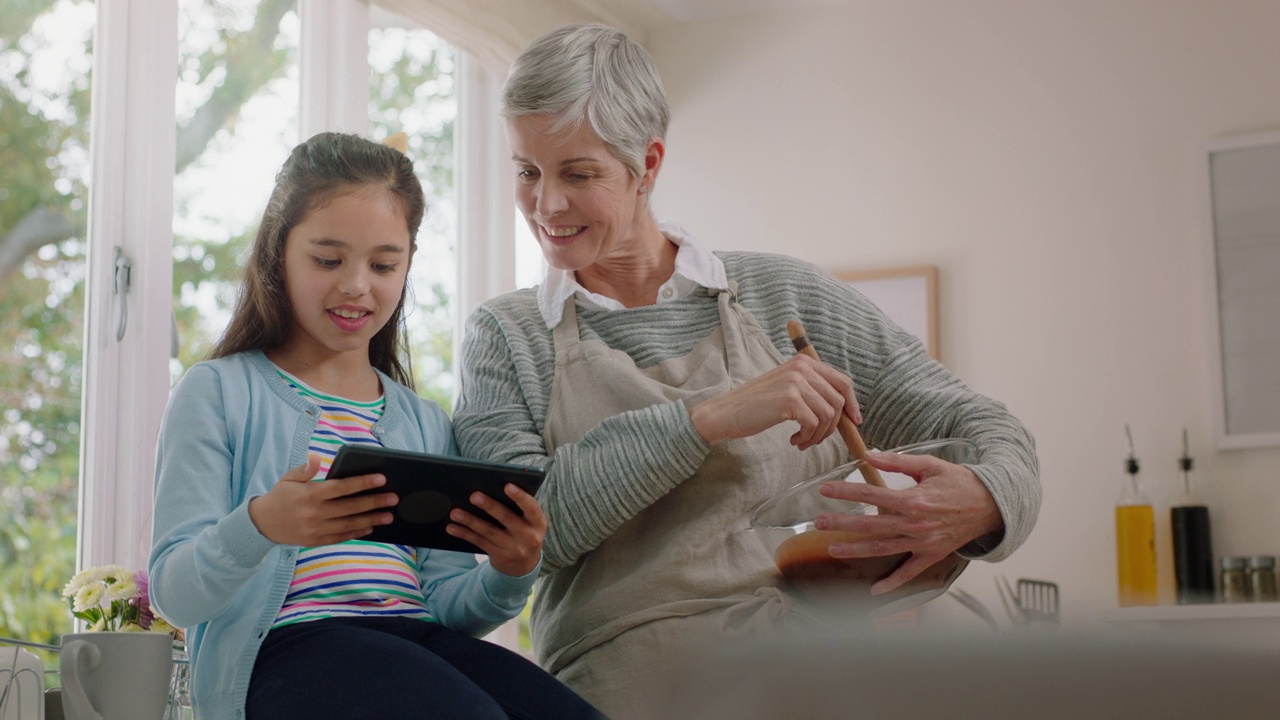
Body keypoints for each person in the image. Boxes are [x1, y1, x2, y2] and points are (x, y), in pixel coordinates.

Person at [450, 23, 1041, 718]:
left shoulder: (786, 296)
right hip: (619, 694)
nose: (546, 204)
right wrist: (707, 417)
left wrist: (989, 498)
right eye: (528, 171)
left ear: (648, 163)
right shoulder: (506, 336)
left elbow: (982, 425)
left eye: (578, 173)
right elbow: (529, 531)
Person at [148, 132, 602, 720]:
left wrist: (510, 573)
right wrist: (261, 524)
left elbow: (446, 605)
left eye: (384, 264)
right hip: (288, 650)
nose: (356, 284)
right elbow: (174, 595)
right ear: (278, 253)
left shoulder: (422, 421)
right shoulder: (218, 390)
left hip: (414, 643)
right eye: (328, 259)